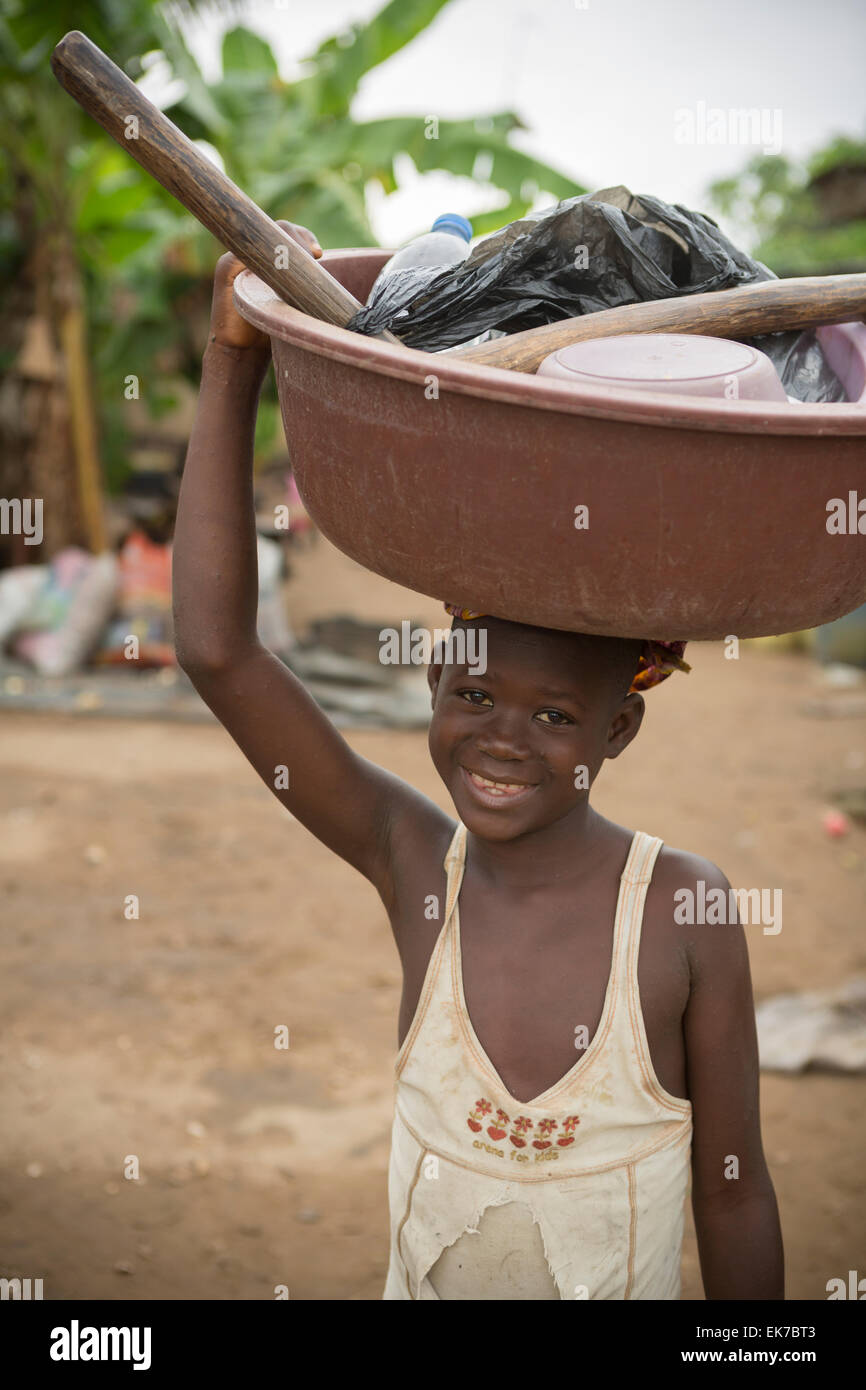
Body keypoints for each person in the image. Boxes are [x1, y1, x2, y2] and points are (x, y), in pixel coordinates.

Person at [172, 223, 784, 1301]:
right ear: (431, 688)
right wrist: (233, 362)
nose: (502, 738)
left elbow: (730, 1193)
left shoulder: (681, 908)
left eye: (555, 716)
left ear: (616, 733)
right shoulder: (413, 862)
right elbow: (218, 651)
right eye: (474, 695)